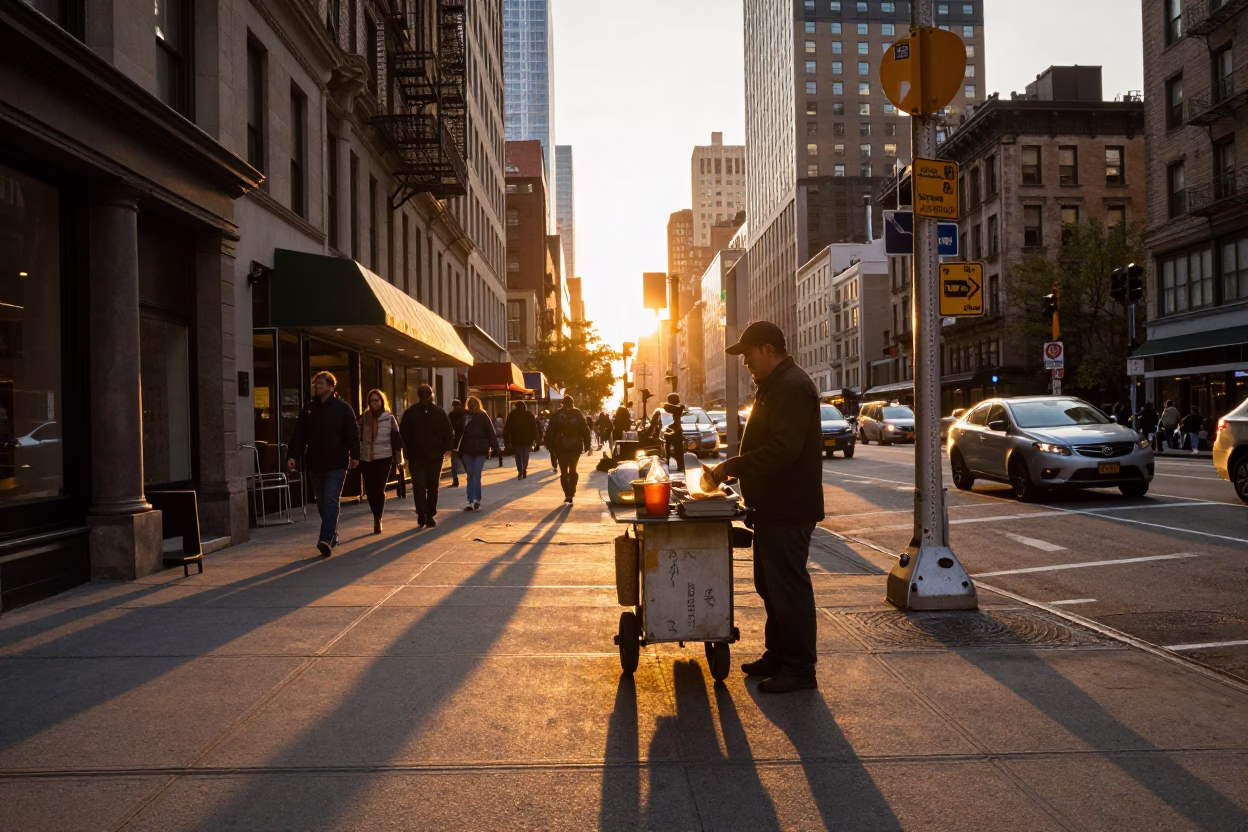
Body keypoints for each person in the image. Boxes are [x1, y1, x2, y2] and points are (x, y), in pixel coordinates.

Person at [706, 321, 823, 694]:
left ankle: (800, 668)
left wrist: (731, 468)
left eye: (748, 354)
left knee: (788, 589)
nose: (745, 363)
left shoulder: (791, 386)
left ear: (769, 349)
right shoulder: (774, 385)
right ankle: (778, 655)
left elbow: (784, 450)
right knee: (769, 587)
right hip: (773, 508)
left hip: (789, 508)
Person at [286, 371, 360, 557]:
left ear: (331, 386)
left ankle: (325, 539)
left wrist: (355, 456)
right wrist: (293, 455)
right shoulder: (309, 408)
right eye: (315, 383)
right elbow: (299, 434)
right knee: (321, 503)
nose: (317, 386)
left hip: (337, 462)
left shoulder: (343, 408)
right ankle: (332, 534)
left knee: (330, 499)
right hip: (316, 462)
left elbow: (353, 434)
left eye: (320, 383)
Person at [399, 383, 454, 528]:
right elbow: (404, 434)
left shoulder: (431, 412)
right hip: (422, 455)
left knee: (427, 485)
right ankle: (425, 513)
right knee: (424, 485)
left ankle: (426, 513)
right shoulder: (413, 413)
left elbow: (448, 433)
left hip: (430, 455)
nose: (424, 397)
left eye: (425, 394)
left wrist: (445, 448)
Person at [357, 389, 405, 535]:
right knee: (370, 490)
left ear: (382, 401)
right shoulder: (363, 418)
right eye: (372, 401)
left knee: (379, 489)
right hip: (366, 458)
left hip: (383, 457)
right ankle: (375, 515)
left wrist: (399, 457)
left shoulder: (389, 418)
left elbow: (397, 438)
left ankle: (378, 518)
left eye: (377, 400)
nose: (375, 403)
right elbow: (354, 435)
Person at [544, 393, 593, 504]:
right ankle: (571, 491)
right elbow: (585, 430)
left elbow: (550, 430)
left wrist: (550, 445)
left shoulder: (557, 414)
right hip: (575, 446)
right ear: (572, 403)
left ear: (562, 403)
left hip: (560, 446)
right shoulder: (578, 414)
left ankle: (568, 493)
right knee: (573, 469)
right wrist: (587, 444)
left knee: (564, 471)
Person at [458, 396, 498, 511]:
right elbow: (491, 432)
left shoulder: (466, 417)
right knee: (476, 475)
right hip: (480, 449)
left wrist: (457, 448)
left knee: (471, 476)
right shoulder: (483, 416)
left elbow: (460, 434)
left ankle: (471, 500)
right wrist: (495, 447)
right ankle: (476, 500)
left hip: (467, 449)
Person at [503, 401, 538, 479]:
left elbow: (507, 428)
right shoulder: (529, 414)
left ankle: (520, 471)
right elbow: (534, 427)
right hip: (527, 440)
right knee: (525, 456)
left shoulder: (512, 414)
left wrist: (506, 440)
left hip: (516, 440)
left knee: (518, 456)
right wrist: (535, 438)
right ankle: (524, 469)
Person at [662, 393, 687, 473]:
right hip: (671, 430)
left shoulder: (679, 407)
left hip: (677, 431)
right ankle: (668, 463)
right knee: (668, 449)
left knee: (678, 450)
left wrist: (664, 405)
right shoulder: (675, 407)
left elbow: (669, 407)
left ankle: (680, 466)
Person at [448, 399, 468, 486]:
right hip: (465, 441)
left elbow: (449, 429)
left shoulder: (451, 415)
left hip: (455, 442)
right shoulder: (466, 413)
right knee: (466, 460)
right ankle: (470, 477)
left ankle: (455, 479)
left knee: (454, 461)